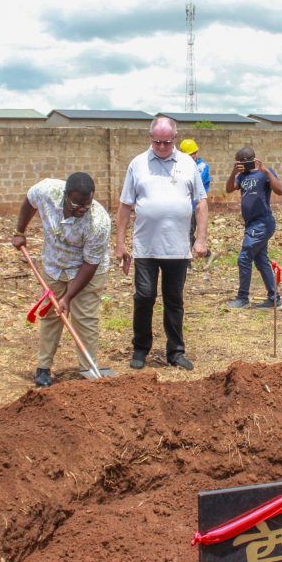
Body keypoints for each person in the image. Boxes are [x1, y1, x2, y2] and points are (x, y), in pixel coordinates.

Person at [114, 116, 208, 371]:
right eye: (157, 142)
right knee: (144, 297)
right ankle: (140, 348)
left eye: (166, 143)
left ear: (174, 139)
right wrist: (120, 244)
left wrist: (200, 239)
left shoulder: (188, 164)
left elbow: (200, 203)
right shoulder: (138, 164)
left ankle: (175, 352)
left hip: (178, 248)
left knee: (174, 299)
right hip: (146, 247)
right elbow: (124, 206)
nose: (162, 147)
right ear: (150, 138)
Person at [12, 173, 111, 388]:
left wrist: (68, 297)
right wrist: (20, 231)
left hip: (87, 269)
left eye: (87, 204)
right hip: (54, 263)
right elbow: (29, 202)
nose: (82, 209)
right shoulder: (47, 191)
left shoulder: (99, 222)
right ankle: (43, 368)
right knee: (50, 315)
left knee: (85, 319)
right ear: (65, 196)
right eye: (77, 204)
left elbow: (90, 265)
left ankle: (88, 370)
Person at [225, 146, 282, 309]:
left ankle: (243, 298)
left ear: (249, 160)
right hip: (251, 224)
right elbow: (229, 189)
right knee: (261, 260)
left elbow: (280, 191)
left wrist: (266, 171)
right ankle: (274, 299)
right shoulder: (241, 176)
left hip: (263, 223)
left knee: (244, 258)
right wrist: (233, 172)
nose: (239, 164)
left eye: (240, 161)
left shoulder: (265, 173)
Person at [178, 138, 211, 251]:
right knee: (183, 233)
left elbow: (194, 183)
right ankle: (206, 253)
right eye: (187, 155)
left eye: (192, 154)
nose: (190, 157)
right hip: (182, 205)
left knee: (189, 232)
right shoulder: (179, 165)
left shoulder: (202, 167)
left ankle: (187, 262)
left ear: (196, 153)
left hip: (194, 206)